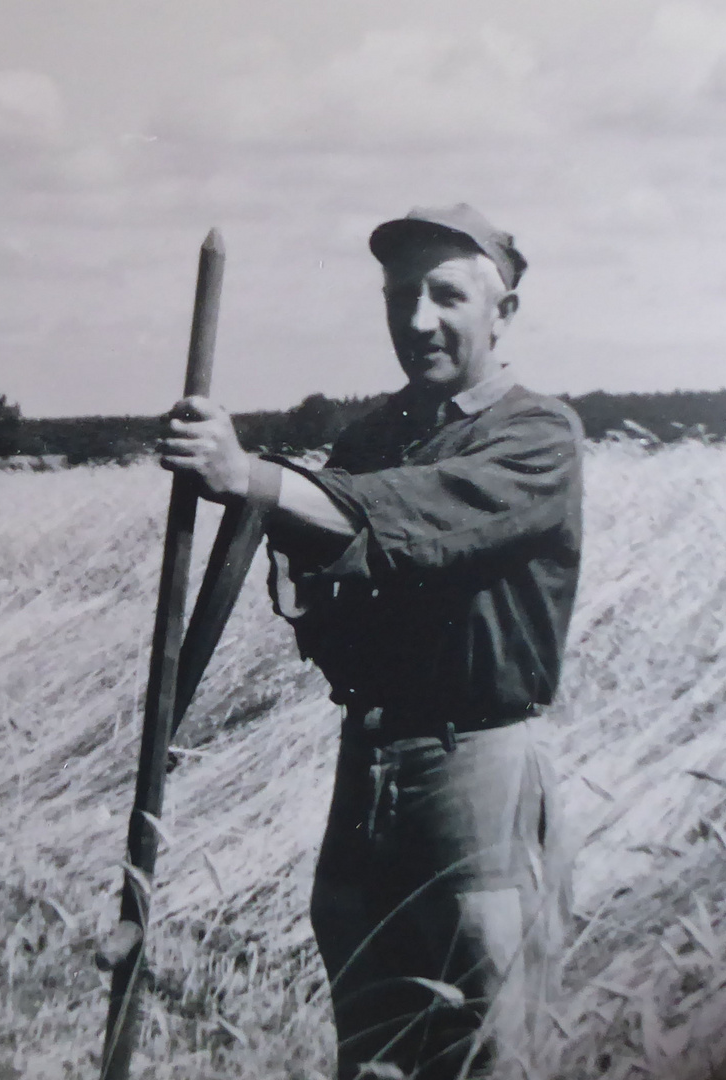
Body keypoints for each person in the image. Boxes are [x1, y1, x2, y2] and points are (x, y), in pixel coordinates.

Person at [159, 204, 582, 1079]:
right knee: (373, 1048)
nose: (418, 319)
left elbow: (411, 519)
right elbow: (326, 565)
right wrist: (259, 506)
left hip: (475, 770)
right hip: (370, 768)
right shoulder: (372, 437)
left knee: (484, 1049)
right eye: (400, 296)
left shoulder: (537, 434)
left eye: (446, 295)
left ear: (502, 314)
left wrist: (258, 481)